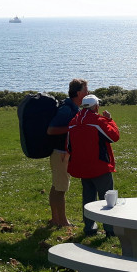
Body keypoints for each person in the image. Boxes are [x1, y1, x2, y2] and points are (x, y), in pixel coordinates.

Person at [67, 94, 120, 236]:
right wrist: (110, 120)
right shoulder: (97, 121)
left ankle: (89, 228)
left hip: (82, 167)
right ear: (96, 106)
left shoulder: (73, 122)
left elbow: (68, 146)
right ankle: (110, 229)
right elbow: (114, 136)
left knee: (88, 199)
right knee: (107, 199)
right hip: (100, 166)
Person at [46, 78, 89, 227]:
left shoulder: (73, 107)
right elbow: (51, 130)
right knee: (61, 188)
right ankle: (63, 222)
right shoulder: (66, 109)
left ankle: (55, 219)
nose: (88, 92)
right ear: (78, 93)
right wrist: (73, 128)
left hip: (62, 153)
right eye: (85, 90)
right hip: (61, 154)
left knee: (56, 186)